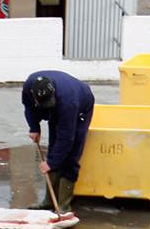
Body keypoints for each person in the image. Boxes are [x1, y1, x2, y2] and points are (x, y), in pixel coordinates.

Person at [21, 70, 95, 211]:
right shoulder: (29, 86)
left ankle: (63, 206)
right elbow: (29, 107)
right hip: (62, 102)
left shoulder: (68, 102)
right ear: (33, 95)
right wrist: (34, 127)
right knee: (54, 147)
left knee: (71, 155)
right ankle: (48, 202)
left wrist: (51, 163)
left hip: (81, 108)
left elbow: (66, 138)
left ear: (53, 92)